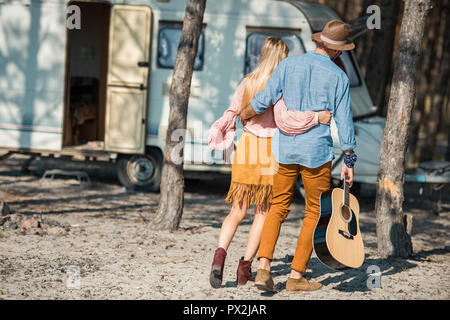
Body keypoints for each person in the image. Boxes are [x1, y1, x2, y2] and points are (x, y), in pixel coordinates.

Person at [240, 20, 358, 293]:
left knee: (278, 206)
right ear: (338, 51)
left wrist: (244, 113)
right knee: (314, 212)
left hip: (285, 149)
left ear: (318, 42)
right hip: (316, 152)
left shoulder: (288, 65)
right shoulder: (339, 77)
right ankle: (296, 276)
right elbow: (345, 121)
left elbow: (264, 99)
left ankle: (264, 269)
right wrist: (349, 159)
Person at [208, 36, 332, 289]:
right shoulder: (282, 86)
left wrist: (221, 132)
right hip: (271, 152)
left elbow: (232, 113)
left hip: (247, 148)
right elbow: (288, 119)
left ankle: (219, 256)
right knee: (262, 213)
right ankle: (245, 268)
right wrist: (316, 119)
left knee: (237, 211)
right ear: (281, 58)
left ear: (263, 55)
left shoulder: (248, 81)